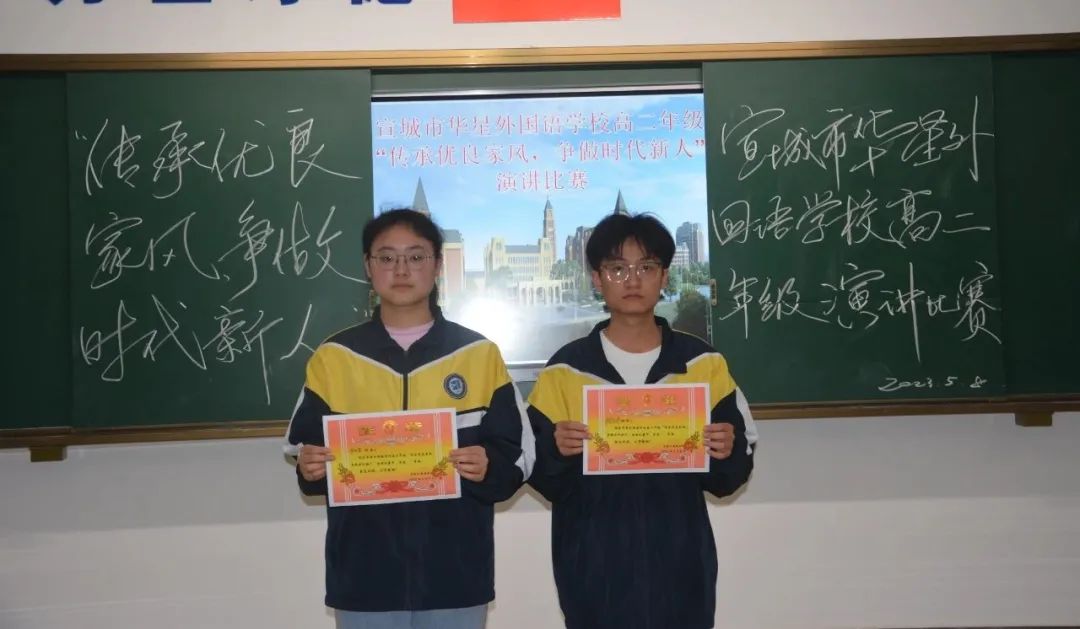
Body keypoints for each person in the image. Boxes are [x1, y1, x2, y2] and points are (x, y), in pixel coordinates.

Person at [285, 208, 533, 629]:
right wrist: (310, 467)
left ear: (437, 266)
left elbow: (519, 455)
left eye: (416, 257)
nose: (401, 269)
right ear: (368, 267)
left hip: (455, 574)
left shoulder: (478, 355)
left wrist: (489, 466)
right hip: (364, 577)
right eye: (387, 257)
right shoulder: (334, 358)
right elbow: (304, 452)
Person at [526, 212, 758, 629]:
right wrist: (556, 450)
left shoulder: (703, 363)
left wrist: (727, 450)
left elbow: (730, 475)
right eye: (617, 269)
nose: (632, 280)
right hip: (592, 569)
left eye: (646, 267)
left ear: (664, 276)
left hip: (682, 566)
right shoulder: (565, 369)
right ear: (597, 279)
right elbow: (539, 473)